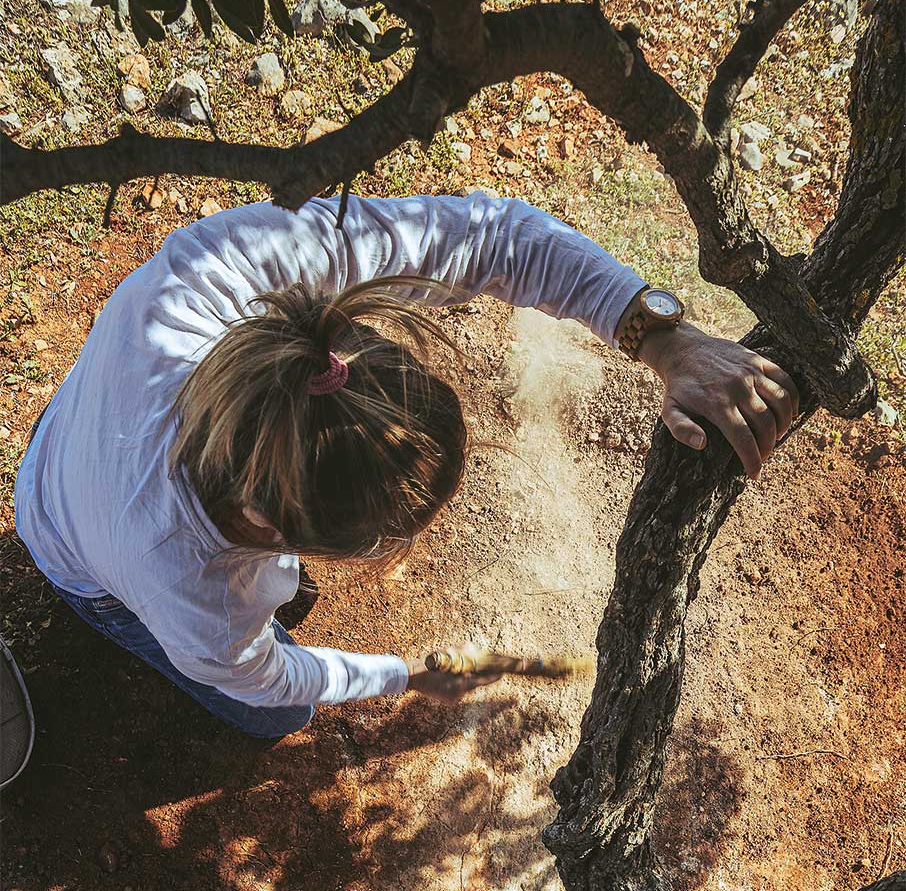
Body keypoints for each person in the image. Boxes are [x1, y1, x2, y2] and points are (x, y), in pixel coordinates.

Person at [14, 193, 798, 739]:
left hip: (75, 435)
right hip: (79, 557)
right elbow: (276, 680)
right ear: (266, 523)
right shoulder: (196, 602)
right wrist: (406, 676)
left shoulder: (224, 266)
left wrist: (661, 337)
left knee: (285, 606)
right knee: (273, 718)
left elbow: (493, 236)